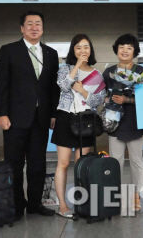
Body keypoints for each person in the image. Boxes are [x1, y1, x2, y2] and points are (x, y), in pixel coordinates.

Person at [0, 11, 60, 221]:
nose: (34, 27)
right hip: (14, 118)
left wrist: (53, 114)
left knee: (37, 163)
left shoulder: (51, 53)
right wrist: (2, 114)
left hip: (41, 119)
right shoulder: (9, 50)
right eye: (30, 24)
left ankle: (34, 204)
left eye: (38, 24)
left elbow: (52, 88)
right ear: (22, 28)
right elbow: (1, 85)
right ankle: (15, 205)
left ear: (42, 28)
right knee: (13, 164)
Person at [52, 34, 106, 218]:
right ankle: (63, 205)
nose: (83, 51)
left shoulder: (97, 74)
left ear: (90, 50)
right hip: (66, 119)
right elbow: (63, 85)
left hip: (86, 121)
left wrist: (82, 90)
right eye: (78, 47)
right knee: (64, 163)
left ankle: (83, 204)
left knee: (82, 165)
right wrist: (76, 66)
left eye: (86, 47)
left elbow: (98, 100)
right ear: (73, 51)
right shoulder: (65, 69)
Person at [103, 34, 143, 212]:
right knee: (115, 161)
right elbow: (105, 95)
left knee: (136, 160)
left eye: (129, 47)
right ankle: (115, 195)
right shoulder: (108, 72)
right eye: (121, 46)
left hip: (136, 120)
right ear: (116, 49)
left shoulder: (142, 72)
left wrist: (128, 100)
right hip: (115, 121)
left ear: (135, 51)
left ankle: (136, 196)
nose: (124, 50)